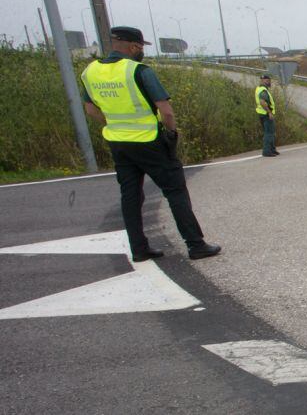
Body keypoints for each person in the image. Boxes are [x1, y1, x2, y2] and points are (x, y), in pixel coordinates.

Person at [81, 27, 222, 262]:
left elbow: (89, 109)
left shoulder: (90, 72)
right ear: (134, 46)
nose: (141, 51)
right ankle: (195, 244)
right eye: (141, 47)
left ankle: (139, 249)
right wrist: (171, 134)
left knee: (130, 196)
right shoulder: (138, 71)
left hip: (118, 142)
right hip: (149, 141)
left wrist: (113, 124)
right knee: (175, 190)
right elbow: (166, 111)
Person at [256, 74, 279, 157]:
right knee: (269, 133)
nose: (269, 82)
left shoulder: (259, 88)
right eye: (267, 80)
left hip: (261, 114)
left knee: (270, 132)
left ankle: (272, 149)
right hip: (266, 114)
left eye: (268, 80)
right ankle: (267, 151)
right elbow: (262, 102)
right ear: (263, 81)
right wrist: (269, 112)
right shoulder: (263, 90)